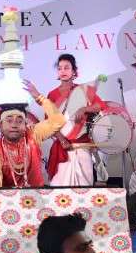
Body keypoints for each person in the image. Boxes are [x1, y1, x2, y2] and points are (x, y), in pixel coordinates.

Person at [0, 80, 66, 190]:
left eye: (19, 121)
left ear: (25, 124)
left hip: (37, 195)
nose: (14, 125)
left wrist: (39, 98)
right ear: (0, 125)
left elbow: (59, 120)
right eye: (9, 120)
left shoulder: (33, 134)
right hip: (10, 199)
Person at [46, 54, 107, 187]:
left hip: (82, 146)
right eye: (60, 68)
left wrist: (84, 109)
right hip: (62, 148)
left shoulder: (83, 90)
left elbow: (100, 105)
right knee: (60, 190)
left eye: (66, 68)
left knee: (84, 188)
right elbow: (49, 123)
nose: (63, 71)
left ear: (74, 71)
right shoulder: (52, 95)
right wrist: (62, 140)